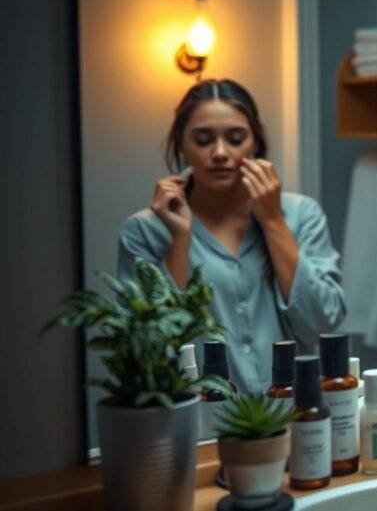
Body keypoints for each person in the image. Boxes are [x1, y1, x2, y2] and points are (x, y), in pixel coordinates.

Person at [118, 79, 346, 395]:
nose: (221, 153)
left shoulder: (301, 215)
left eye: (236, 138)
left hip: (293, 418)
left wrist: (273, 221)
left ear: (255, 143)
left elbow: (322, 320)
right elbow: (150, 346)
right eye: (203, 140)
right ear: (181, 145)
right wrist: (181, 238)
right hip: (199, 422)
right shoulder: (145, 230)